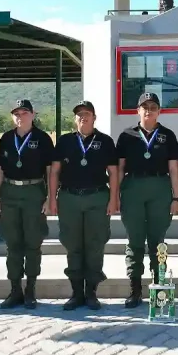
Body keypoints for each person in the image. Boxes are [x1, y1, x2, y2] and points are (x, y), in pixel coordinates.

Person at [49, 101, 119, 310]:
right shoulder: (64, 141)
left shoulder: (105, 141)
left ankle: (91, 293)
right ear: (75, 118)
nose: (83, 117)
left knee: (95, 245)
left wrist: (114, 199)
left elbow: (114, 173)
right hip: (70, 198)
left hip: (97, 197)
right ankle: (76, 292)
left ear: (94, 117)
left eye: (87, 114)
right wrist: (52, 198)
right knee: (73, 244)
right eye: (79, 114)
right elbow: (54, 172)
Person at [116, 92, 178, 308]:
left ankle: (158, 288)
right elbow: (120, 169)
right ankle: (135, 290)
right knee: (134, 241)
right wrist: (115, 195)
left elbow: (174, 169)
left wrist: (176, 197)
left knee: (157, 241)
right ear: (138, 110)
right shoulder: (126, 136)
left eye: (153, 107)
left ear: (158, 111)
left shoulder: (168, 135)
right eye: (144, 107)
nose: (148, 110)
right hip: (133, 188)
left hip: (160, 189)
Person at [0, 100, 55, 309]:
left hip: (33, 192)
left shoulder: (43, 138)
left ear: (33, 114)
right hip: (10, 192)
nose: (20, 116)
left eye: (24, 112)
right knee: (12, 242)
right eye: (16, 113)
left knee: (33, 242)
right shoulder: (7, 138)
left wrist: (50, 197)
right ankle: (15, 289)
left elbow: (49, 171)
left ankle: (30, 290)